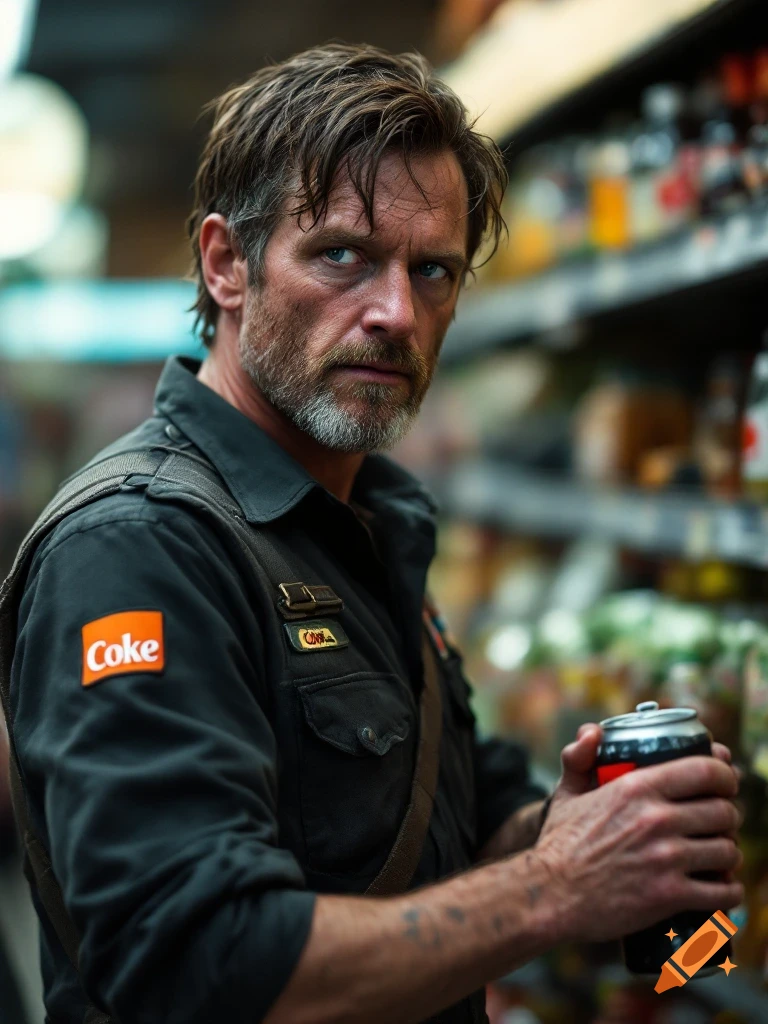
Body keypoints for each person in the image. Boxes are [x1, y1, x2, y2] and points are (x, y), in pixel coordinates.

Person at [4, 44, 742, 1024]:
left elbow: (454, 839)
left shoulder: (363, 522)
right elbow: (193, 962)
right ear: (227, 264)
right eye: (342, 254)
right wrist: (557, 883)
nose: (397, 311)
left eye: (433, 270)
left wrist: (590, 827)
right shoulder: (140, 547)